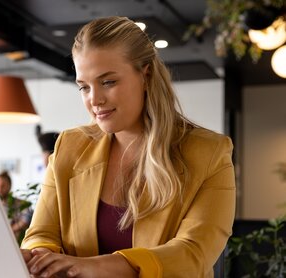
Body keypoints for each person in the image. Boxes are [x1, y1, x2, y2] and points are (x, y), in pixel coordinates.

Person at [20, 16, 235, 277]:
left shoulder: (210, 153)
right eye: (84, 87)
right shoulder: (69, 146)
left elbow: (193, 253)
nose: (95, 100)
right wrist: (40, 256)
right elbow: (41, 233)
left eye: (108, 82)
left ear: (146, 74)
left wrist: (95, 266)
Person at [0, 171, 33, 240]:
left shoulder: (20, 203)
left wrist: (10, 230)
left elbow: (27, 219)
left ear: (9, 186)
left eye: (3, 186)